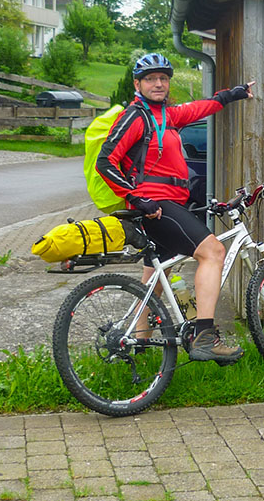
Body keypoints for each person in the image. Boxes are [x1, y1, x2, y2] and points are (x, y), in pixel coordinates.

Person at [96, 52, 255, 365]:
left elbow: (198, 108)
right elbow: (106, 160)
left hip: (166, 205)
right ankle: (205, 336)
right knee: (212, 253)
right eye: (151, 79)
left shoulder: (165, 116)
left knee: (153, 278)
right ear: (137, 83)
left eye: (163, 78)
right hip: (156, 206)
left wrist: (232, 95)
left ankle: (136, 344)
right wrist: (136, 197)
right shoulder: (136, 116)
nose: (159, 83)